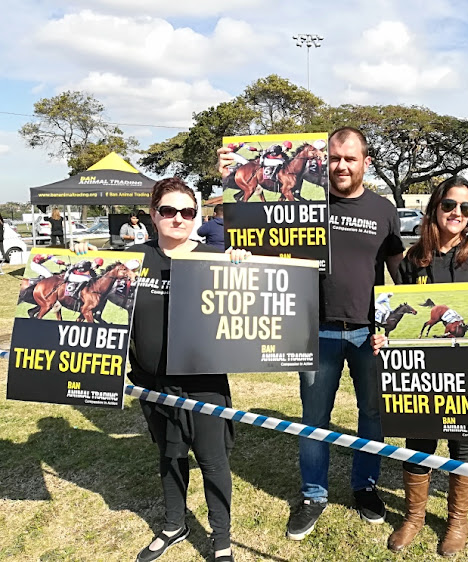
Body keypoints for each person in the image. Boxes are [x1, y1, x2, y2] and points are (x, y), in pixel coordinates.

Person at [219, 127, 404, 540]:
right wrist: (231, 182)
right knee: (314, 418)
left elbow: (399, 270)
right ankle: (313, 494)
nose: (340, 165)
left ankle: (365, 486)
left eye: (349, 158)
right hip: (314, 328)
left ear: (365, 162)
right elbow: (261, 242)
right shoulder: (306, 201)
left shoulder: (383, 208)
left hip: (368, 332)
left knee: (372, 414)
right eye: (334, 157)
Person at [75, 177, 237, 562]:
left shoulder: (216, 257)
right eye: (168, 211)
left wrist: (242, 266)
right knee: (169, 454)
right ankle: (173, 525)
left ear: (196, 216)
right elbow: (94, 296)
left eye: (187, 212)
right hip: (151, 381)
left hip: (203, 380)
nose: (178, 219)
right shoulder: (132, 260)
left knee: (213, 460)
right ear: (153, 214)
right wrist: (78, 257)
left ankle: (222, 538)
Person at [371, 176, 468, 557]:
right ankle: (415, 517)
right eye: (449, 205)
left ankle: (457, 521)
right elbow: (395, 312)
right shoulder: (413, 260)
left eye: (466, 208)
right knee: (418, 441)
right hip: (422, 372)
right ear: (434, 208)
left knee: (462, 445)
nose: (457, 214)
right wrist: (385, 338)